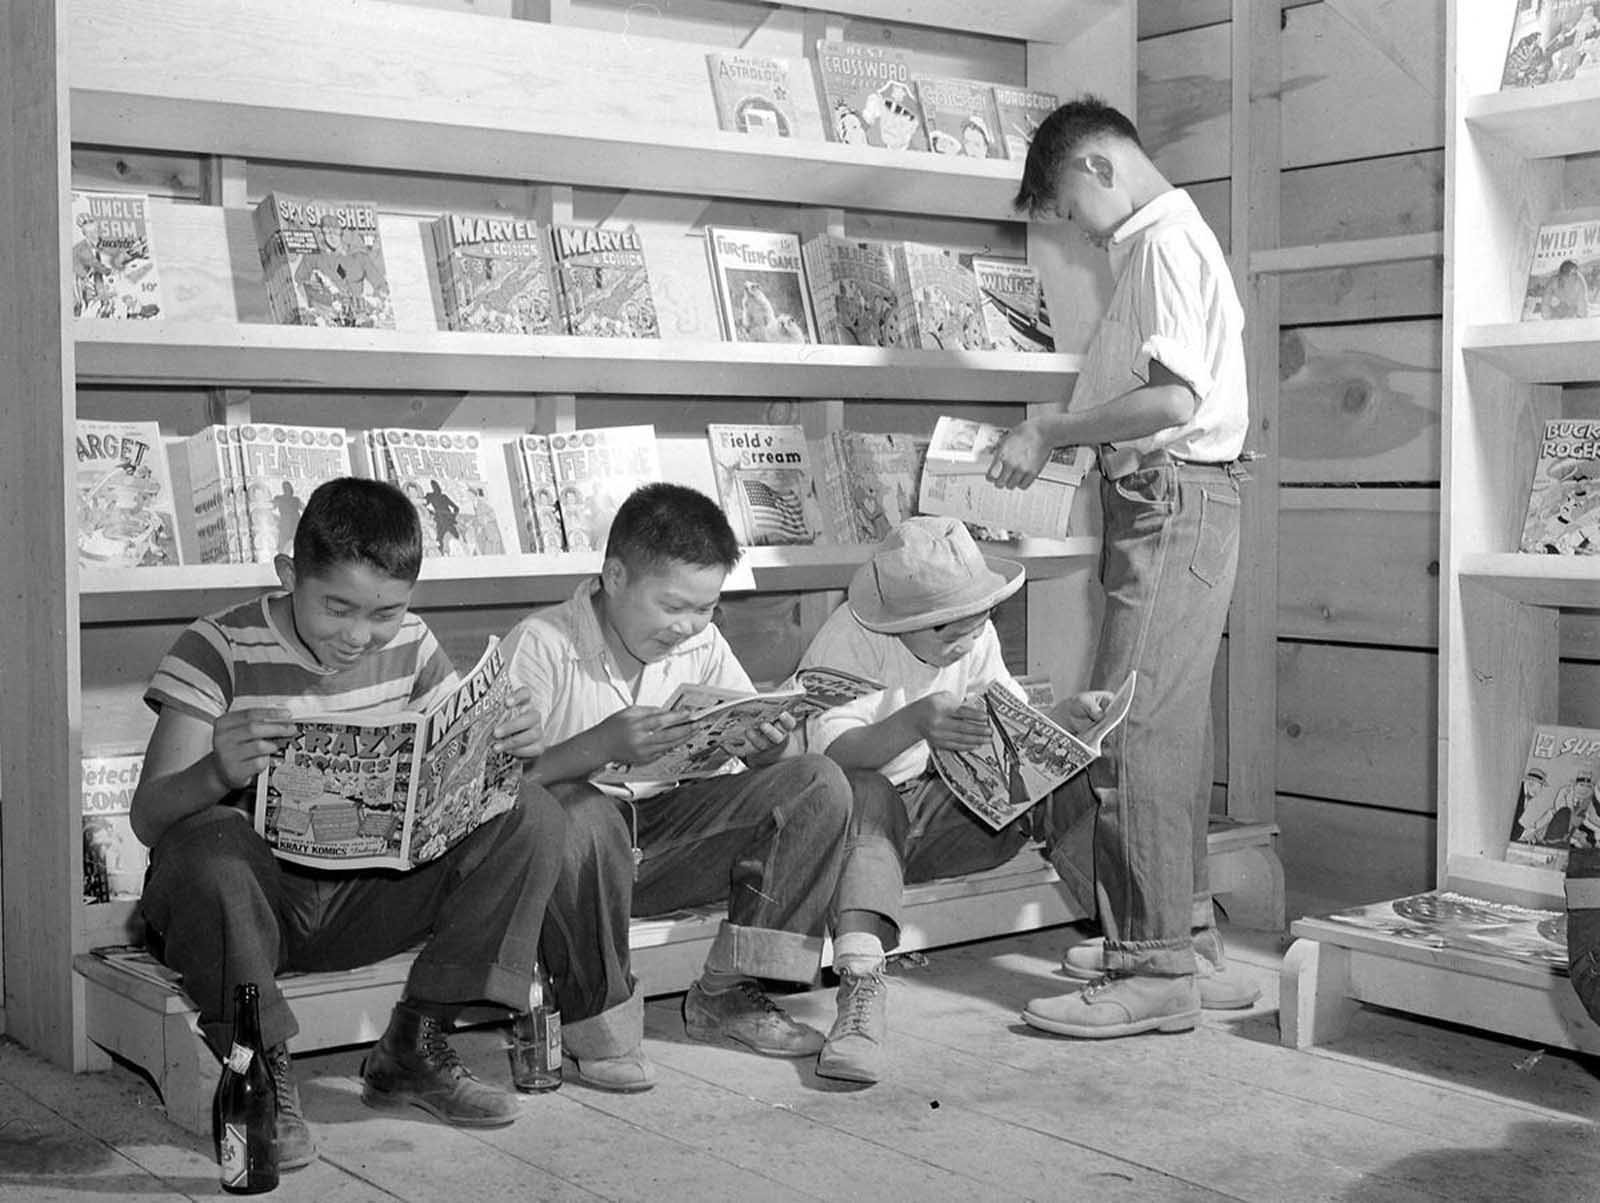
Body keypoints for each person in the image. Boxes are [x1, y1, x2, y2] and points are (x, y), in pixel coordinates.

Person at [130, 477, 565, 1169]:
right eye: (337, 606)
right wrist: (216, 771)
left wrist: (511, 745)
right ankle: (262, 1070)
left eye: (386, 612)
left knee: (532, 812)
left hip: (369, 897)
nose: (360, 635)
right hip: (248, 918)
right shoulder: (215, 646)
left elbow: (460, 765)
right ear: (287, 573)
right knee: (208, 843)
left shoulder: (414, 643)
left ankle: (416, 1041)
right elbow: (150, 817)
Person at [986, 96, 1258, 1038]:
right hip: (1176, 497)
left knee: (1129, 724)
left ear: (1101, 167)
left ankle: (1153, 969)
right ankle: (1181, 938)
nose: (1067, 225)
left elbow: (1171, 396)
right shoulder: (1155, 244)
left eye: (1064, 203)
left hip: (1171, 493)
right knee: (1168, 725)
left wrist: (1053, 427)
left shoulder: (1162, 244)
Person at [502, 483, 898, 1092]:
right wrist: (598, 748)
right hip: (573, 869)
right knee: (579, 811)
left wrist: (773, 745)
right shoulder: (543, 644)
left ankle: (728, 994)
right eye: (672, 606)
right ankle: (598, 1024)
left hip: (669, 843)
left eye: (706, 607)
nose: (687, 627)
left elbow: (767, 757)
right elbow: (493, 795)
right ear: (613, 576)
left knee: (818, 781)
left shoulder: (702, 643)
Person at [797, 515, 1112, 1083]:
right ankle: (861, 992)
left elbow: (1009, 722)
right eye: (948, 632)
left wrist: (1061, 720)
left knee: (1060, 772)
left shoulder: (972, 633)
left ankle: (1135, 945)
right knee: (864, 790)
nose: (967, 641)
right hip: (858, 841)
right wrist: (916, 722)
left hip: (950, 820)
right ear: (900, 622)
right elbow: (832, 762)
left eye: (980, 621)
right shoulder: (849, 638)